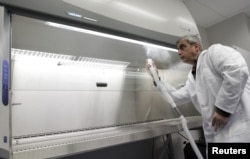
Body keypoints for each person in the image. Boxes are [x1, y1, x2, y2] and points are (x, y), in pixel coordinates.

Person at [146, 34, 250, 143]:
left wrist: (223, 110)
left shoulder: (213, 53)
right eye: (178, 49)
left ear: (196, 47)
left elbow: (238, 71)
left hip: (240, 130)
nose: (179, 52)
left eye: (182, 47)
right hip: (218, 136)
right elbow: (176, 97)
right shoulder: (192, 77)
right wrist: (156, 78)